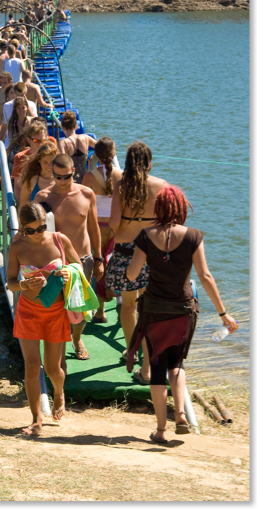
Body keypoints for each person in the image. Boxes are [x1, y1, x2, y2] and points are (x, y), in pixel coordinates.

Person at [126, 185, 238, 443]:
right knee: (177, 364)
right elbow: (205, 276)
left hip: (154, 310)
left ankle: (161, 430)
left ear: (158, 208)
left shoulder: (145, 235)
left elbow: (132, 274)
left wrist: (146, 265)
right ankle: (180, 414)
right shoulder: (194, 236)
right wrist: (223, 314)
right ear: (181, 208)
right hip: (184, 310)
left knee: (156, 368)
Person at [7, 202, 82, 435]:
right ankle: (36, 419)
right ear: (21, 227)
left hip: (56, 311)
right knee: (32, 366)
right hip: (28, 310)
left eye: (41, 228)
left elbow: (78, 264)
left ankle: (59, 392)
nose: (37, 234)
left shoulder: (60, 239)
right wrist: (24, 284)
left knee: (52, 369)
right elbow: (10, 282)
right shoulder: (17, 246)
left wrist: (68, 271)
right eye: (30, 230)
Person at [35, 153, 103, 361]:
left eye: (67, 176)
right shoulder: (43, 197)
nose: (63, 181)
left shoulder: (87, 194)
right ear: (51, 173)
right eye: (58, 177)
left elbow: (94, 227)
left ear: (74, 171)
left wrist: (99, 259)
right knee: (55, 307)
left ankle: (77, 339)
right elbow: (36, 234)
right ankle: (58, 349)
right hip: (54, 263)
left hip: (82, 260)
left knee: (78, 308)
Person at [107, 141, 167, 377]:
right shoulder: (161, 185)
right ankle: (147, 362)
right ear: (149, 163)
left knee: (128, 305)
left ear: (129, 163)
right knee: (148, 308)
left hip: (125, 252)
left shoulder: (121, 186)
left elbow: (113, 223)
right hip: (152, 251)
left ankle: (132, 349)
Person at [82, 137, 122, 323]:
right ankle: (119, 297)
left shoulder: (90, 177)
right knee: (113, 263)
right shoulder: (122, 176)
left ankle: (100, 311)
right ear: (114, 153)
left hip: (95, 227)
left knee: (98, 264)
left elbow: (81, 202)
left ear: (96, 154)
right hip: (116, 227)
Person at [11, 122, 49, 203]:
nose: (40, 144)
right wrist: (21, 205)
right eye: (36, 141)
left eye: (43, 140)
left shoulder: (51, 157)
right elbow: (18, 186)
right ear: (29, 140)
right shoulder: (20, 157)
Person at [57, 111, 97, 184]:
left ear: (63, 128)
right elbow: (101, 146)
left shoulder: (62, 143)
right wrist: (92, 159)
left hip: (71, 182)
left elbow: (62, 165)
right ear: (76, 126)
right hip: (86, 180)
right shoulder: (86, 138)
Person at [19, 143, 57, 208]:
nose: (49, 166)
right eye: (45, 162)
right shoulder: (31, 180)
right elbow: (22, 206)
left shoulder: (61, 179)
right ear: (39, 160)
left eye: (52, 162)